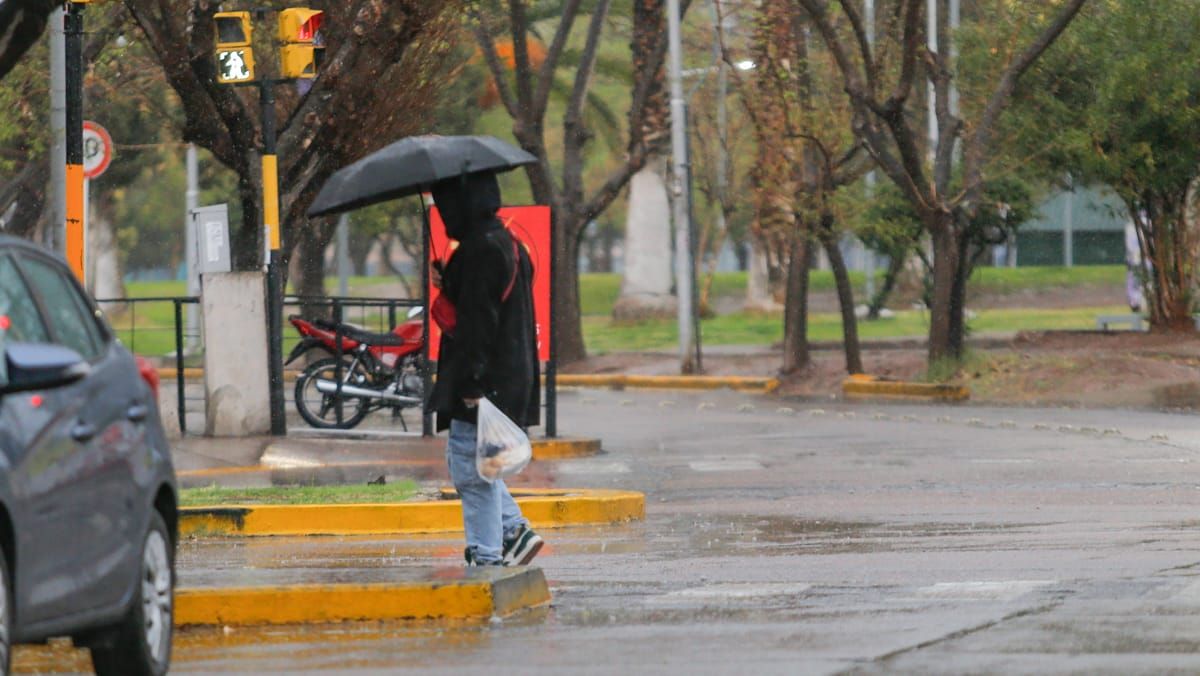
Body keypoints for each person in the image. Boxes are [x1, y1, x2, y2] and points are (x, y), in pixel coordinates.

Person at [428, 171, 543, 567]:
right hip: (507, 374)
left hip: (481, 381)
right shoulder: (507, 242)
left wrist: (472, 385)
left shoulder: (480, 250)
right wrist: (450, 280)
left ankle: (487, 556)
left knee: (470, 470)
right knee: (480, 463)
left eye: (446, 205)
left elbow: (479, 322)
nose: (444, 215)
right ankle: (513, 530)